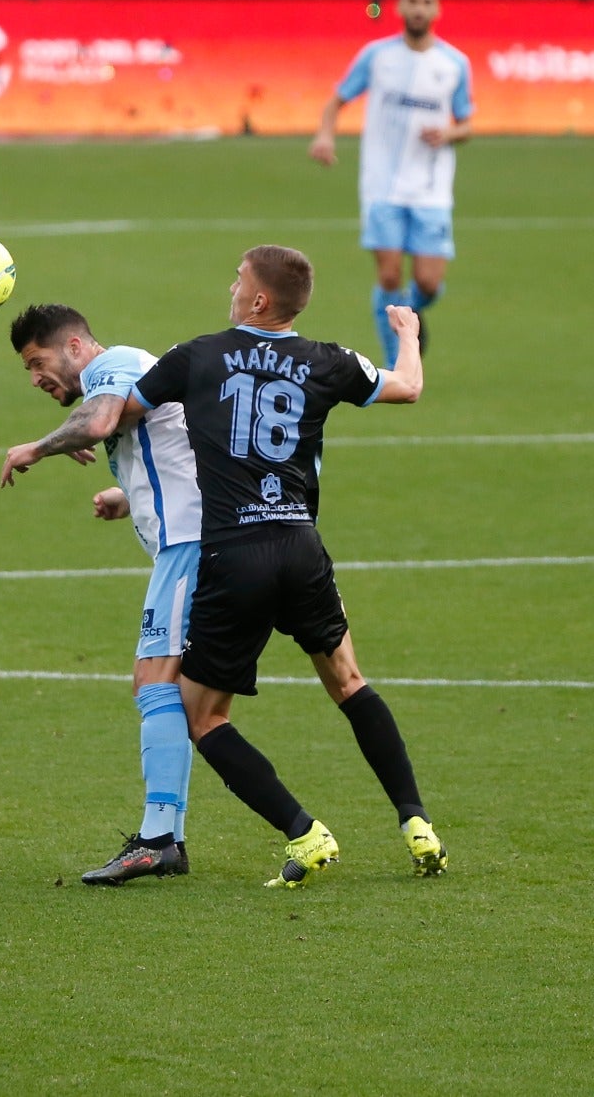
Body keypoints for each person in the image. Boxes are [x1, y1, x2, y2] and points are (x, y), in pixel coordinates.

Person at [124, 244, 446, 888]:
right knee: (349, 682)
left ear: (259, 299)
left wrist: (59, 448)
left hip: (233, 555)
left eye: (239, 278)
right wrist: (407, 332)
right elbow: (407, 386)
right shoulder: (327, 359)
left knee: (202, 717)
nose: (232, 284)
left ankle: (305, 831)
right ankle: (417, 824)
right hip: (301, 546)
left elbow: (119, 412)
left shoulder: (198, 356)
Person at [0, 304, 201, 885]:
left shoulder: (114, 363)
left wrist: (36, 448)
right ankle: (167, 835)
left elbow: (97, 422)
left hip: (190, 543)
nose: (36, 378)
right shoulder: (128, 373)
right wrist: (126, 494)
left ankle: (161, 839)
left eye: (39, 362)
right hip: (191, 541)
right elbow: (168, 444)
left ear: (78, 346)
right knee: (186, 694)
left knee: (155, 680)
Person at [308, 0, 474, 367]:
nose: (419, 8)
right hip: (382, 185)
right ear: (401, 6)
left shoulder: (454, 63)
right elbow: (337, 100)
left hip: (431, 188)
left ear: (437, 10)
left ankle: (410, 313)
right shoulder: (377, 56)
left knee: (429, 283)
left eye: (427, 2)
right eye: (413, 0)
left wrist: (449, 134)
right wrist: (325, 135)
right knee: (388, 277)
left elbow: (466, 121)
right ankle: (396, 357)